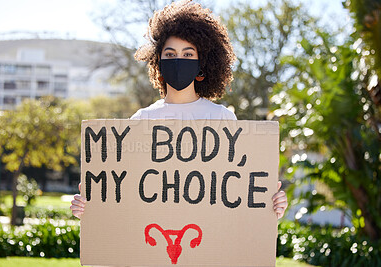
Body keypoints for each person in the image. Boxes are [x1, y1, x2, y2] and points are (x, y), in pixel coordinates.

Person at [71, 0, 288, 220]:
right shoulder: (142, 120)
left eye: (187, 55)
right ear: (159, 62)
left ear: (201, 63)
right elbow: (125, 192)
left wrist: (272, 206)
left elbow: (236, 192)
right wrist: (90, 208)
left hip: (206, 239)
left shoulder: (222, 118)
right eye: (170, 54)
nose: (178, 61)